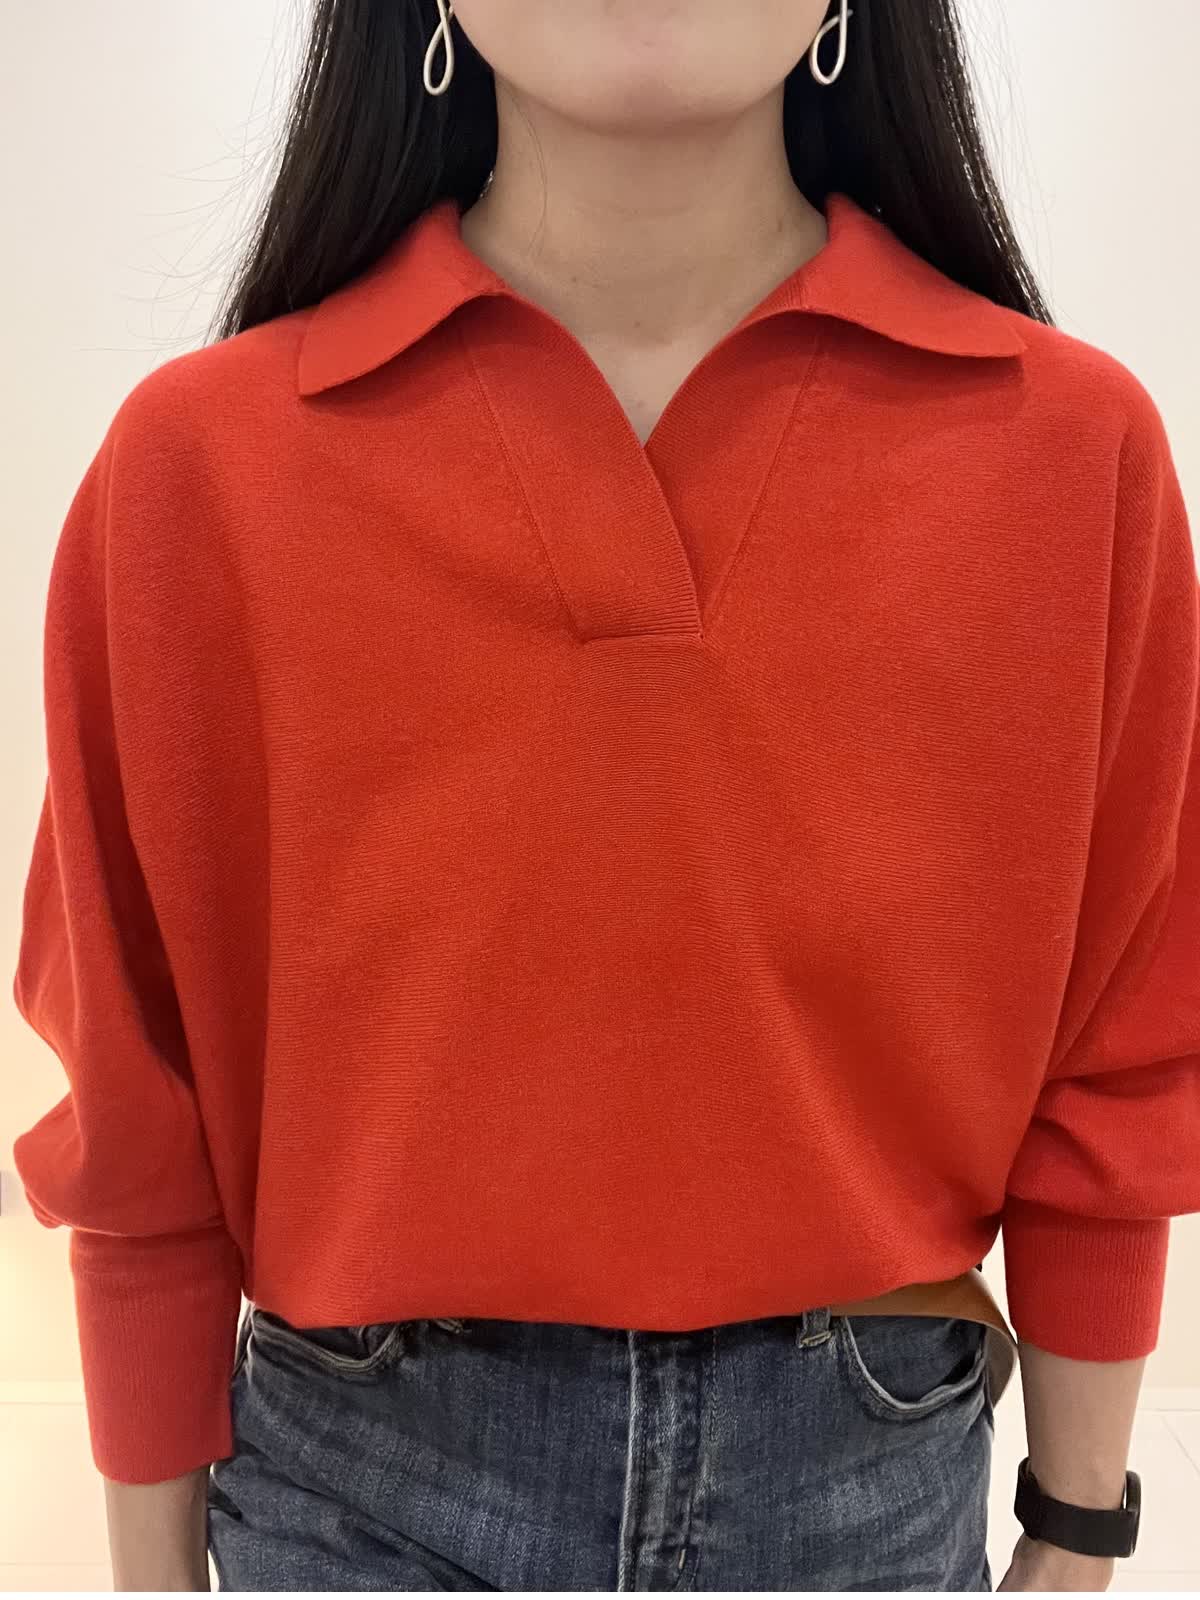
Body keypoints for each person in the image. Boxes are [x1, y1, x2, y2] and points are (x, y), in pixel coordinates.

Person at [11, 0, 1198, 1590]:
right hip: (356, 1492)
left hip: (869, 1479)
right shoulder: (199, 468)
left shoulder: (1073, 454)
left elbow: (1125, 1042)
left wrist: (1078, 1527)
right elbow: (135, 1088)